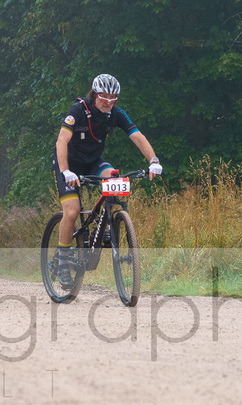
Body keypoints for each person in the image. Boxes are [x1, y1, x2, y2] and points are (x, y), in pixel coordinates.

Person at [51, 73, 162, 287]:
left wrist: (153, 160)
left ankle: (109, 225)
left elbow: (137, 136)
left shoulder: (116, 114)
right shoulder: (78, 111)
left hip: (93, 162)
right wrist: (65, 171)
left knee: (115, 178)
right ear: (94, 95)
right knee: (72, 211)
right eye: (104, 97)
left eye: (113, 98)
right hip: (68, 164)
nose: (108, 102)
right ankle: (63, 261)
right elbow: (61, 140)